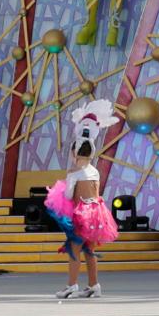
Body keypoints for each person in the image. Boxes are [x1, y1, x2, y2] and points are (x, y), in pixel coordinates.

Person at [47, 99, 120, 299]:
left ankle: (71, 285)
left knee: (74, 249)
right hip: (96, 215)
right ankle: (94, 285)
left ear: (74, 152)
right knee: (90, 250)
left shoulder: (74, 174)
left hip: (81, 216)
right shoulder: (95, 171)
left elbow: (69, 196)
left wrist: (62, 191)